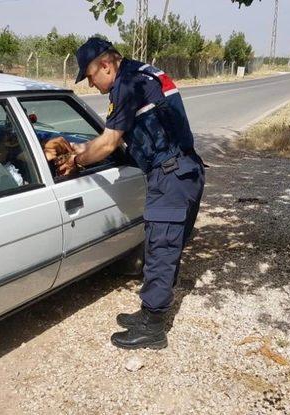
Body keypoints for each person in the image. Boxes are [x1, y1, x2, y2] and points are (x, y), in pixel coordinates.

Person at [57, 37, 205, 350]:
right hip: (182, 171)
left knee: (160, 251)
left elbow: (109, 144)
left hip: (171, 177)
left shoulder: (125, 86)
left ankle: (153, 327)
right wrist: (76, 149)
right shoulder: (141, 74)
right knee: (161, 249)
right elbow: (115, 138)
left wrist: (76, 160)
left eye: (91, 77)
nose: (92, 86)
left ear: (106, 66)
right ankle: (149, 312)